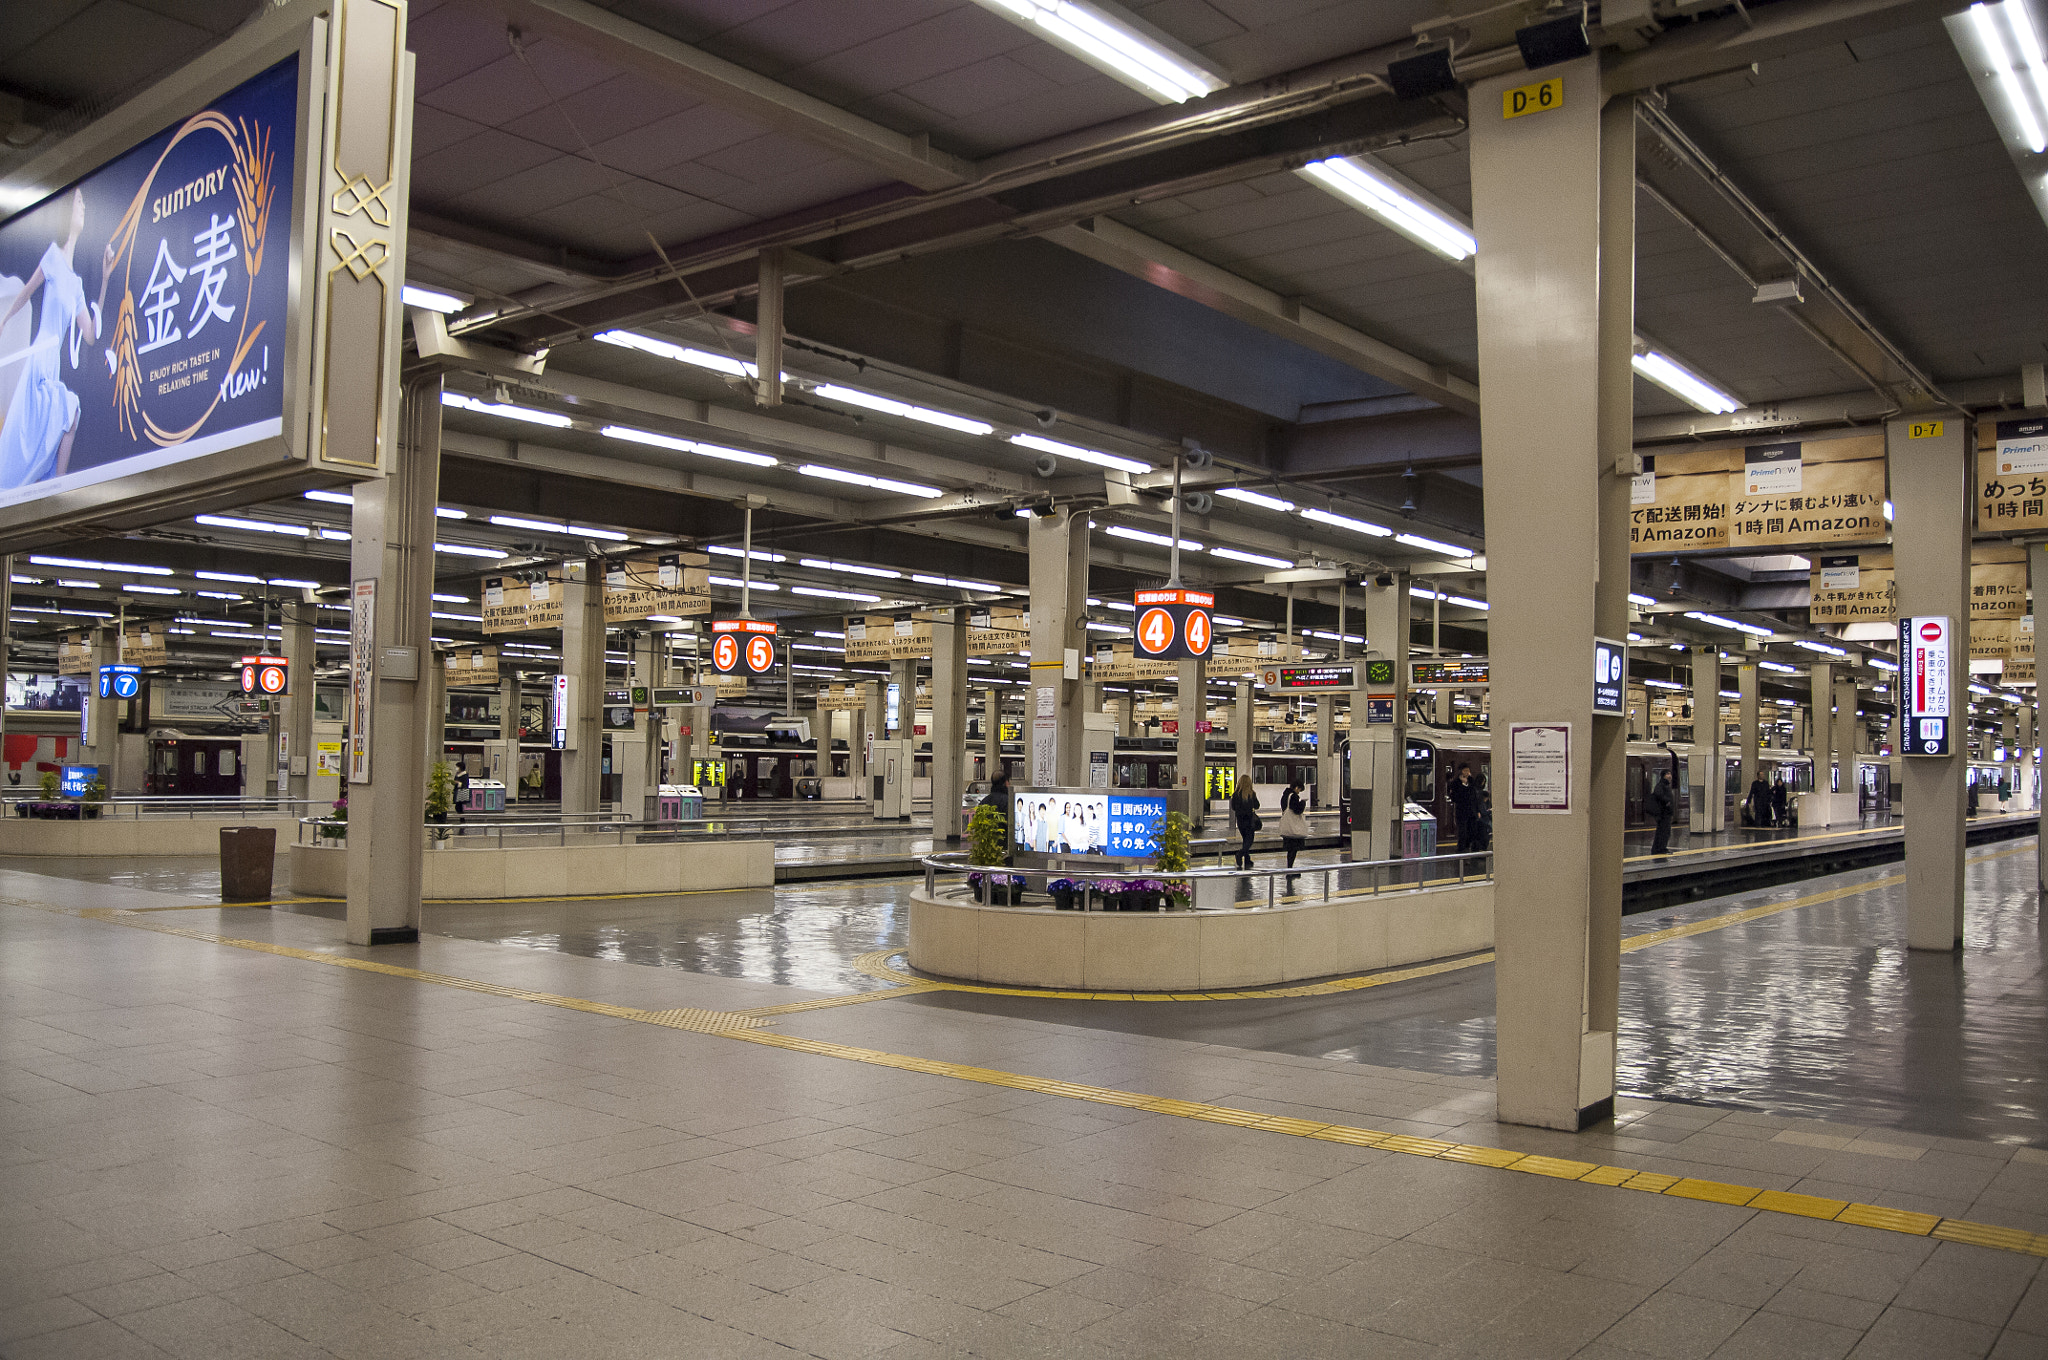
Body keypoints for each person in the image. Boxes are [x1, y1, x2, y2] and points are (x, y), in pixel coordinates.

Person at [1447, 762, 1484, 855]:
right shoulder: (1455, 783)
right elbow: (1455, 797)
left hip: (1472, 811)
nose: (1467, 773)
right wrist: (1463, 785)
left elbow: (1475, 796)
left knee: (1472, 830)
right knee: (1462, 831)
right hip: (1461, 811)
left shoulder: (1471, 781)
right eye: (1465, 771)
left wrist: (1478, 810)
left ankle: (1471, 847)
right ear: (1461, 771)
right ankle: (1462, 849)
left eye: (1468, 770)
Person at [1276, 777, 1310, 873]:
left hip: (1287, 827)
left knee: (1290, 850)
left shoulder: (1285, 796)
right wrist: (1302, 803)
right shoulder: (1293, 797)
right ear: (1296, 787)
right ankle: (1289, 870)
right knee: (1293, 850)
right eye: (1299, 790)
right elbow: (1297, 810)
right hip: (1293, 829)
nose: (1299, 792)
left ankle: (1289, 869)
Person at [1229, 776, 1261, 870]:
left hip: (1240, 821)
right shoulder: (1252, 794)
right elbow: (1257, 805)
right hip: (1249, 820)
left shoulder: (1235, 794)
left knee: (1245, 839)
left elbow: (1233, 808)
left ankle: (1247, 859)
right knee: (1249, 840)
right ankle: (1240, 854)